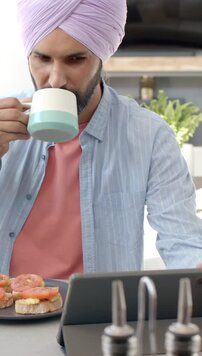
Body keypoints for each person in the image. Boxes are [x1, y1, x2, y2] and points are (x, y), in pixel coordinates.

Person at [0, 0, 202, 279]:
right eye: (43, 58)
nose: (56, 79)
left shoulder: (149, 136)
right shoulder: (3, 126)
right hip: (8, 315)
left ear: (102, 57)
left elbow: (182, 240)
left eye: (75, 59)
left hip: (98, 319)